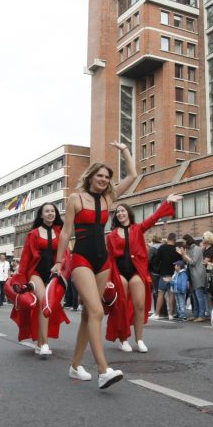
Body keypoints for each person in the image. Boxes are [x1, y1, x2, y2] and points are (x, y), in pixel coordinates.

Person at [52, 142, 137, 390]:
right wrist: (59, 262)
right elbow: (66, 233)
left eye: (107, 177)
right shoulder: (76, 198)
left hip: (103, 261)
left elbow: (132, 175)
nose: (104, 179)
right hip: (81, 259)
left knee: (90, 314)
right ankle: (103, 370)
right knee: (97, 311)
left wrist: (124, 151)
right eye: (100, 175)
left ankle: (75, 365)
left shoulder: (109, 198)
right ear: (90, 177)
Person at [105, 194, 178, 353]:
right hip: (119, 272)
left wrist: (167, 202)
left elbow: (152, 219)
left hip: (136, 270)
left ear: (128, 213)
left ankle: (139, 340)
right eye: (118, 212)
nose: (120, 213)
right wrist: (107, 279)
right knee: (121, 306)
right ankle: (123, 339)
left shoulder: (137, 228)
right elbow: (109, 259)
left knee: (139, 305)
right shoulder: (111, 236)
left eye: (123, 211)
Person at [9, 202, 68, 357]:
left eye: (53, 211)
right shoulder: (33, 233)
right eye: (47, 211)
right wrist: (19, 279)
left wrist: (63, 271)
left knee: (49, 306)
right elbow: (25, 258)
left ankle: (40, 342)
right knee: (44, 301)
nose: (50, 213)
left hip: (54, 273)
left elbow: (66, 254)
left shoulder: (61, 232)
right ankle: (44, 344)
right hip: (35, 273)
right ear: (41, 215)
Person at [151, 233, 181, 320]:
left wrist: (158, 269)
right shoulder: (176, 249)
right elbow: (180, 262)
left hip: (163, 274)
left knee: (161, 294)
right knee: (171, 295)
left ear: (167, 238)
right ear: (175, 239)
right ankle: (171, 314)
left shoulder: (162, 247)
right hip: (173, 275)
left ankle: (157, 314)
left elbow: (156, 261)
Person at [182, 233, 209, 322]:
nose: (183, 243)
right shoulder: (188, 249)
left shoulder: (197, 249)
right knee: (194, 296)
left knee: (199, 296)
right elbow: (186, 262)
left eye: (184, 241)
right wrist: (183, 254)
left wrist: (184, 255)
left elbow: (193, 262)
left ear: (188, 241)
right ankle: (196, 314)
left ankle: (202, 315)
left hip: (198, 275)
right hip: (191, 275)